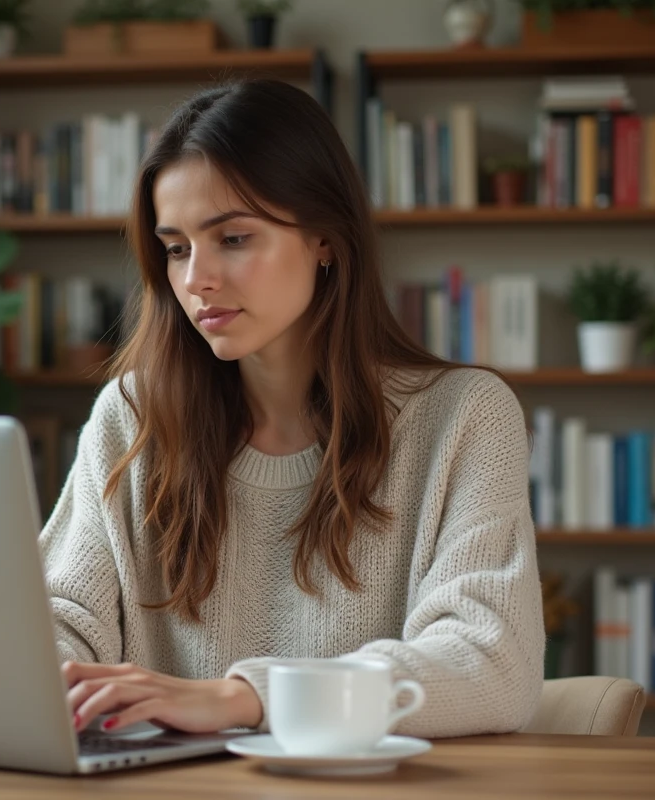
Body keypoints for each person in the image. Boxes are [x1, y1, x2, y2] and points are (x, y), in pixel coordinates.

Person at [37, 78, 544, 740]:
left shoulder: (464, 417)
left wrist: (243, 698)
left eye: (235, 239)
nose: (196, 280)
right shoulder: (133, 418)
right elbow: (61, 615)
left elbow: (489, 663)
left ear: (324, 239)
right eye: (176, 248)